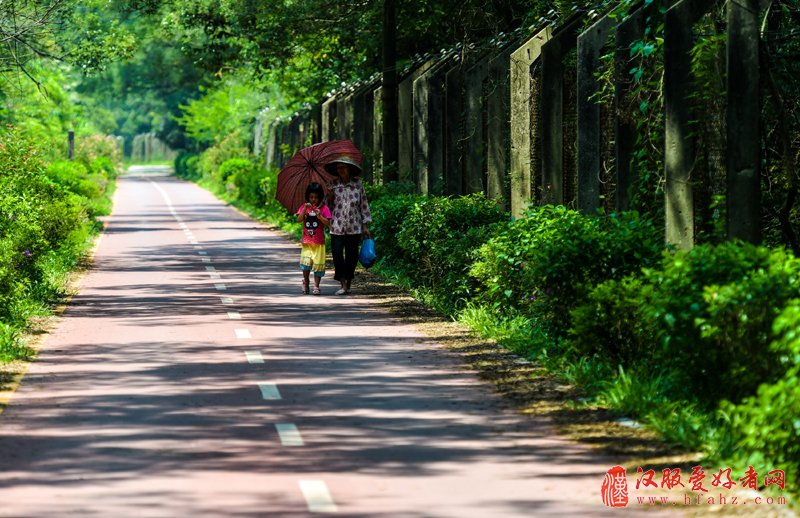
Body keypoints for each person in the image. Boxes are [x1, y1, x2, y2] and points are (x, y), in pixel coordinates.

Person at [325, 155, 371, 295]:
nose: (341, 170)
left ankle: (348, 281)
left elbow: (364, 205)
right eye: (339, 168)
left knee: (352, 257)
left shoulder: (358, 185)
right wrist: (330, 196)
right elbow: (328, 207)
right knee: (337, 255)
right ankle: (343, 284)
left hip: (354, 227)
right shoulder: (332, 185)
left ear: (349, 169)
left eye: (343, 167)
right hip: (337, 227)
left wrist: (365, 225)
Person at [296, 182, 331, 295]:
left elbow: (328, 223)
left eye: (316, 197)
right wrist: (304, 210)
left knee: (318, 265)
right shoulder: (304, 207)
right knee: (306, 264)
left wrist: (319, 216)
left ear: (320, 197)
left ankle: (316, 286)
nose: (313, 199)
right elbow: (299, 220)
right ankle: (306, 281)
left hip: (319, 242)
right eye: (311, 197)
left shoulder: (324, 208)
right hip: (307, 241)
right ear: (308, 196)